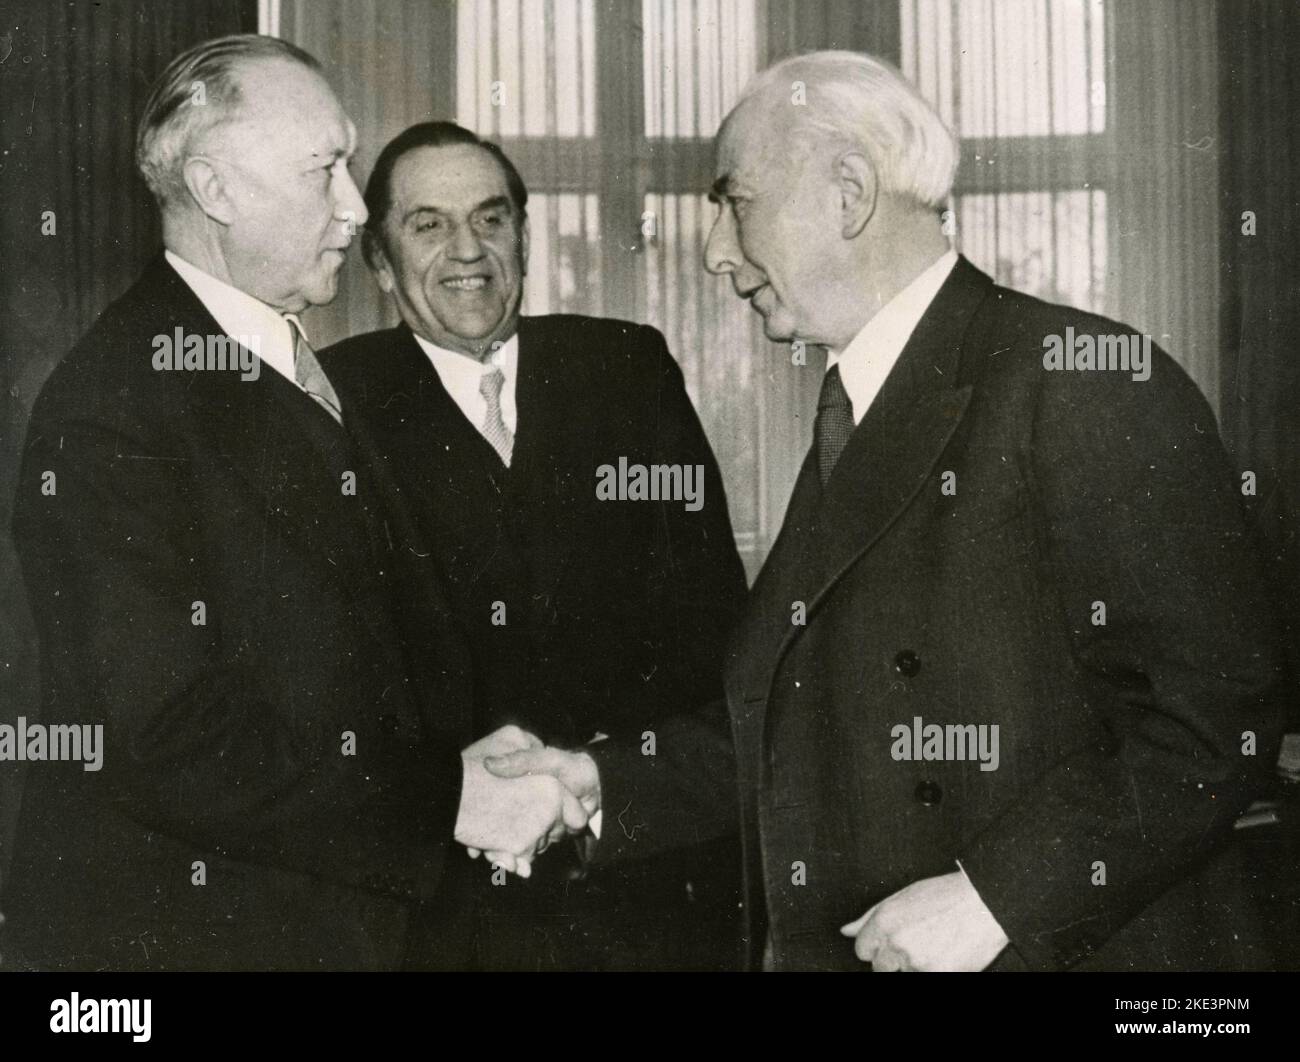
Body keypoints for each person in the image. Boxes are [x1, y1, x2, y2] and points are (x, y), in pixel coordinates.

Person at [490, 50, 1288, 971]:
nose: (713, 252)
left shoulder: (1077, 381)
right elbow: (804, 719)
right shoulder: (860, 404)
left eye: (734, 202)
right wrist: (592, 779)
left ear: (848, 194)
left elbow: (1212, 717)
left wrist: (999, 899)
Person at [2, 35, 578, 972]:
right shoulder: (114, 405)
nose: (355, 210)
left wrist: (473, 760)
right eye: (324, 171)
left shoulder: (278, 355)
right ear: (215, 190)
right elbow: (164, 735)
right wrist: (451, 800)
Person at [319, 122, 748, 970]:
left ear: (524, 233)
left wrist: (605, 789)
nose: (467, 250)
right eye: (428, 224)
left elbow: (714, 626)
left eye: (491, 218)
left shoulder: (626, 368)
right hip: (440, 912)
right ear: (377, 260)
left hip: (635, 882)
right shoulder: (333, 402)